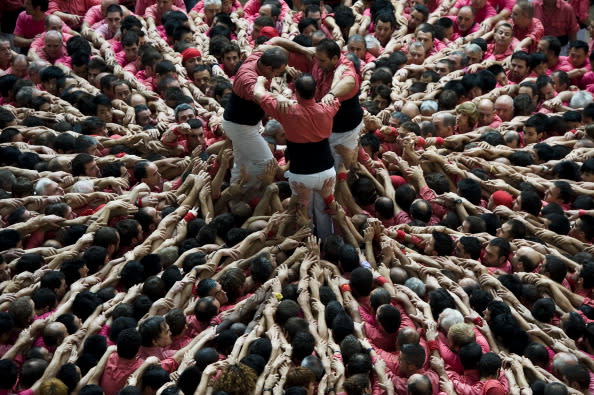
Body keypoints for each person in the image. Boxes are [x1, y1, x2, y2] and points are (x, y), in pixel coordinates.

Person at [254, 73, 340, 237]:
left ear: (297, 93)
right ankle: (327, 246)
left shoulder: (287, 110)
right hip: (326, 171)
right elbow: (335, 98)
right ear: (315, 92)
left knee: (302, 214)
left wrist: (261, 81)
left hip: (301, 174)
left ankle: (307, 247)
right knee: (324, 212)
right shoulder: (327, 107)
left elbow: (258, 93)